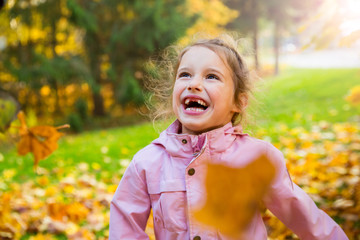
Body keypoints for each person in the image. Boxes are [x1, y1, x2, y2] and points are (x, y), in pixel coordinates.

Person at [109, 35, 348, 240]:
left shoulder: (256, 157)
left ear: (238, 102)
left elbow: (303, 215)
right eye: (185, 75)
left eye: (211, 77)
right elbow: (124, 228)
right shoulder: (148, 162)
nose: (194, 84)